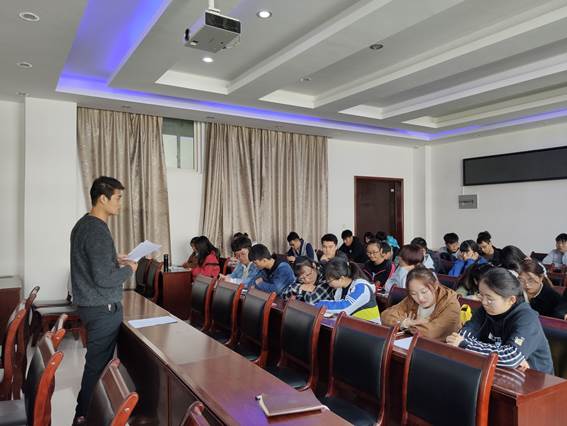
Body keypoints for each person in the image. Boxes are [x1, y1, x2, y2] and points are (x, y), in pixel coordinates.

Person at [71, 176, 138, 425]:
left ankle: (91, 414)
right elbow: (104, 279)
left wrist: (114, 258)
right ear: (103, 198)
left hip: (91, 305)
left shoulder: (83, 224)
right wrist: (130, 268)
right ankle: (84, 416)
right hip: (102, 307)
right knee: (97, 367)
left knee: (98, 364)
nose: (120, 203)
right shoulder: (97, 229)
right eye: (118, 198)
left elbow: (91, 264)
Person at [447, 268, 554, 375]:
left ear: (511, 300)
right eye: (481, 295)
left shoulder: (527, 318)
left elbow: (510, 357)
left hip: (534, 377)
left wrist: (466, 345)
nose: (484, 302)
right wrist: (502, 355)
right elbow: (459, 338)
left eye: (490, 299)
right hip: (499, 371)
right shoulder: (485, 310)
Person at [381, 267, 461, 341]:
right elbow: (385, 316)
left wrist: (405, 325)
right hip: (409, 344)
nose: (420, 298)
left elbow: (430, 333)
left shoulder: (451, 303)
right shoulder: (411, 299)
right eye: (413, 293)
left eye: (424, 292)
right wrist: (407, 323)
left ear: (435, 285)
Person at [314, 257, 380, 322]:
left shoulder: (361, 288)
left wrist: (319, 304)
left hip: (369, 327)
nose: (329, 284)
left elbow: (344, 308)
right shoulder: (340, 290)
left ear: (341, 278)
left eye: (329, 281)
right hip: (352, 325)